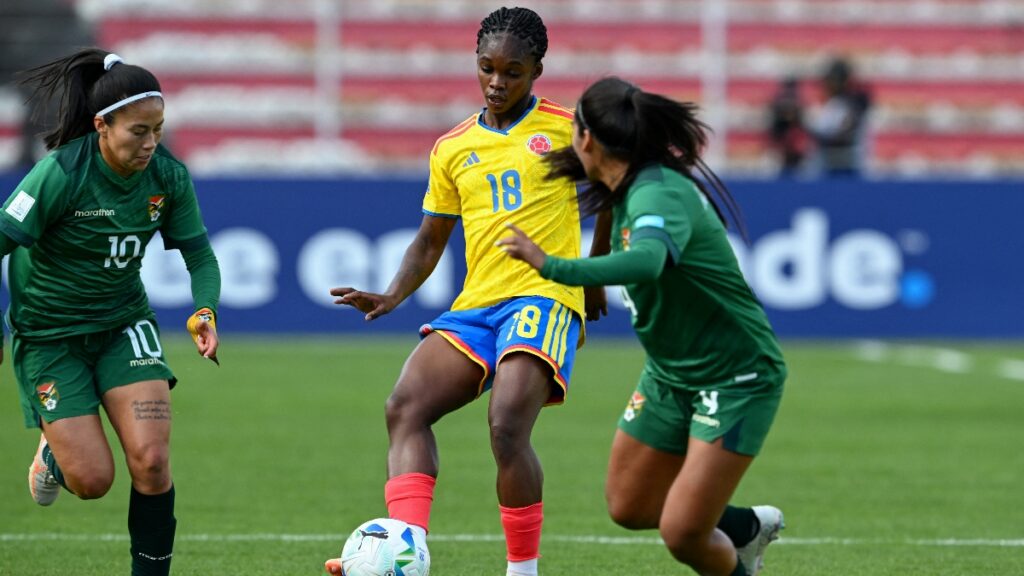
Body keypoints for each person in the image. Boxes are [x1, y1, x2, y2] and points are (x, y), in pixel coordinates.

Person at [325, 7, 605, 576]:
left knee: (506, 427)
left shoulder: (567, 128)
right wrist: (393, 294)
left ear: (537, 71)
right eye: (487, 68)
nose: (497, 82)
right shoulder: (452, 147)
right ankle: (406, 548)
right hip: (478, 305)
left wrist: (595, 272)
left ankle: (521, 571)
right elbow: (430, 240)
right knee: (404, 407)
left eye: (513, 71)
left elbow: (615, 189)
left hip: (544, 296)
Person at [497, 76, 788, 576]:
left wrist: (554, 267)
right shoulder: (624, 182)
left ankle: (733, 551)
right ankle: (743, 529)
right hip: (671, 372)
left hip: (735, 376)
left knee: (683, 533)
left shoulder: (658, 194)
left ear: (586, 138)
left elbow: (649, 260)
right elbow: (613, 220)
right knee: (629, 505)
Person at [4, 48, 221, 576]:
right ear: (102, 126)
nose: (151, 143)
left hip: (123, 325)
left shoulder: (167, 176)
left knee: (151, 461)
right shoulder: (59, 173)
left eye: (159, 129)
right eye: (138, 131)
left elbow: (199, 254)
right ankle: (56, 448)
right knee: (92, 482)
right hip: (51, 336)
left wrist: (205, 310)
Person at [806, 57, 872, 177]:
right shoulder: (830, 104)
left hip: (849, 163)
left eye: (833, 80)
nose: (828, 85)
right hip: (826, 163)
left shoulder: (855, 103)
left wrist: (817, 133)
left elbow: (844, 133)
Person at [767, 76, 808, 177]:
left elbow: (803, 148)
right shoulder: (777, 127)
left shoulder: (801, 128)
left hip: (799, 167)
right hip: (780, 166)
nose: (789, 108)